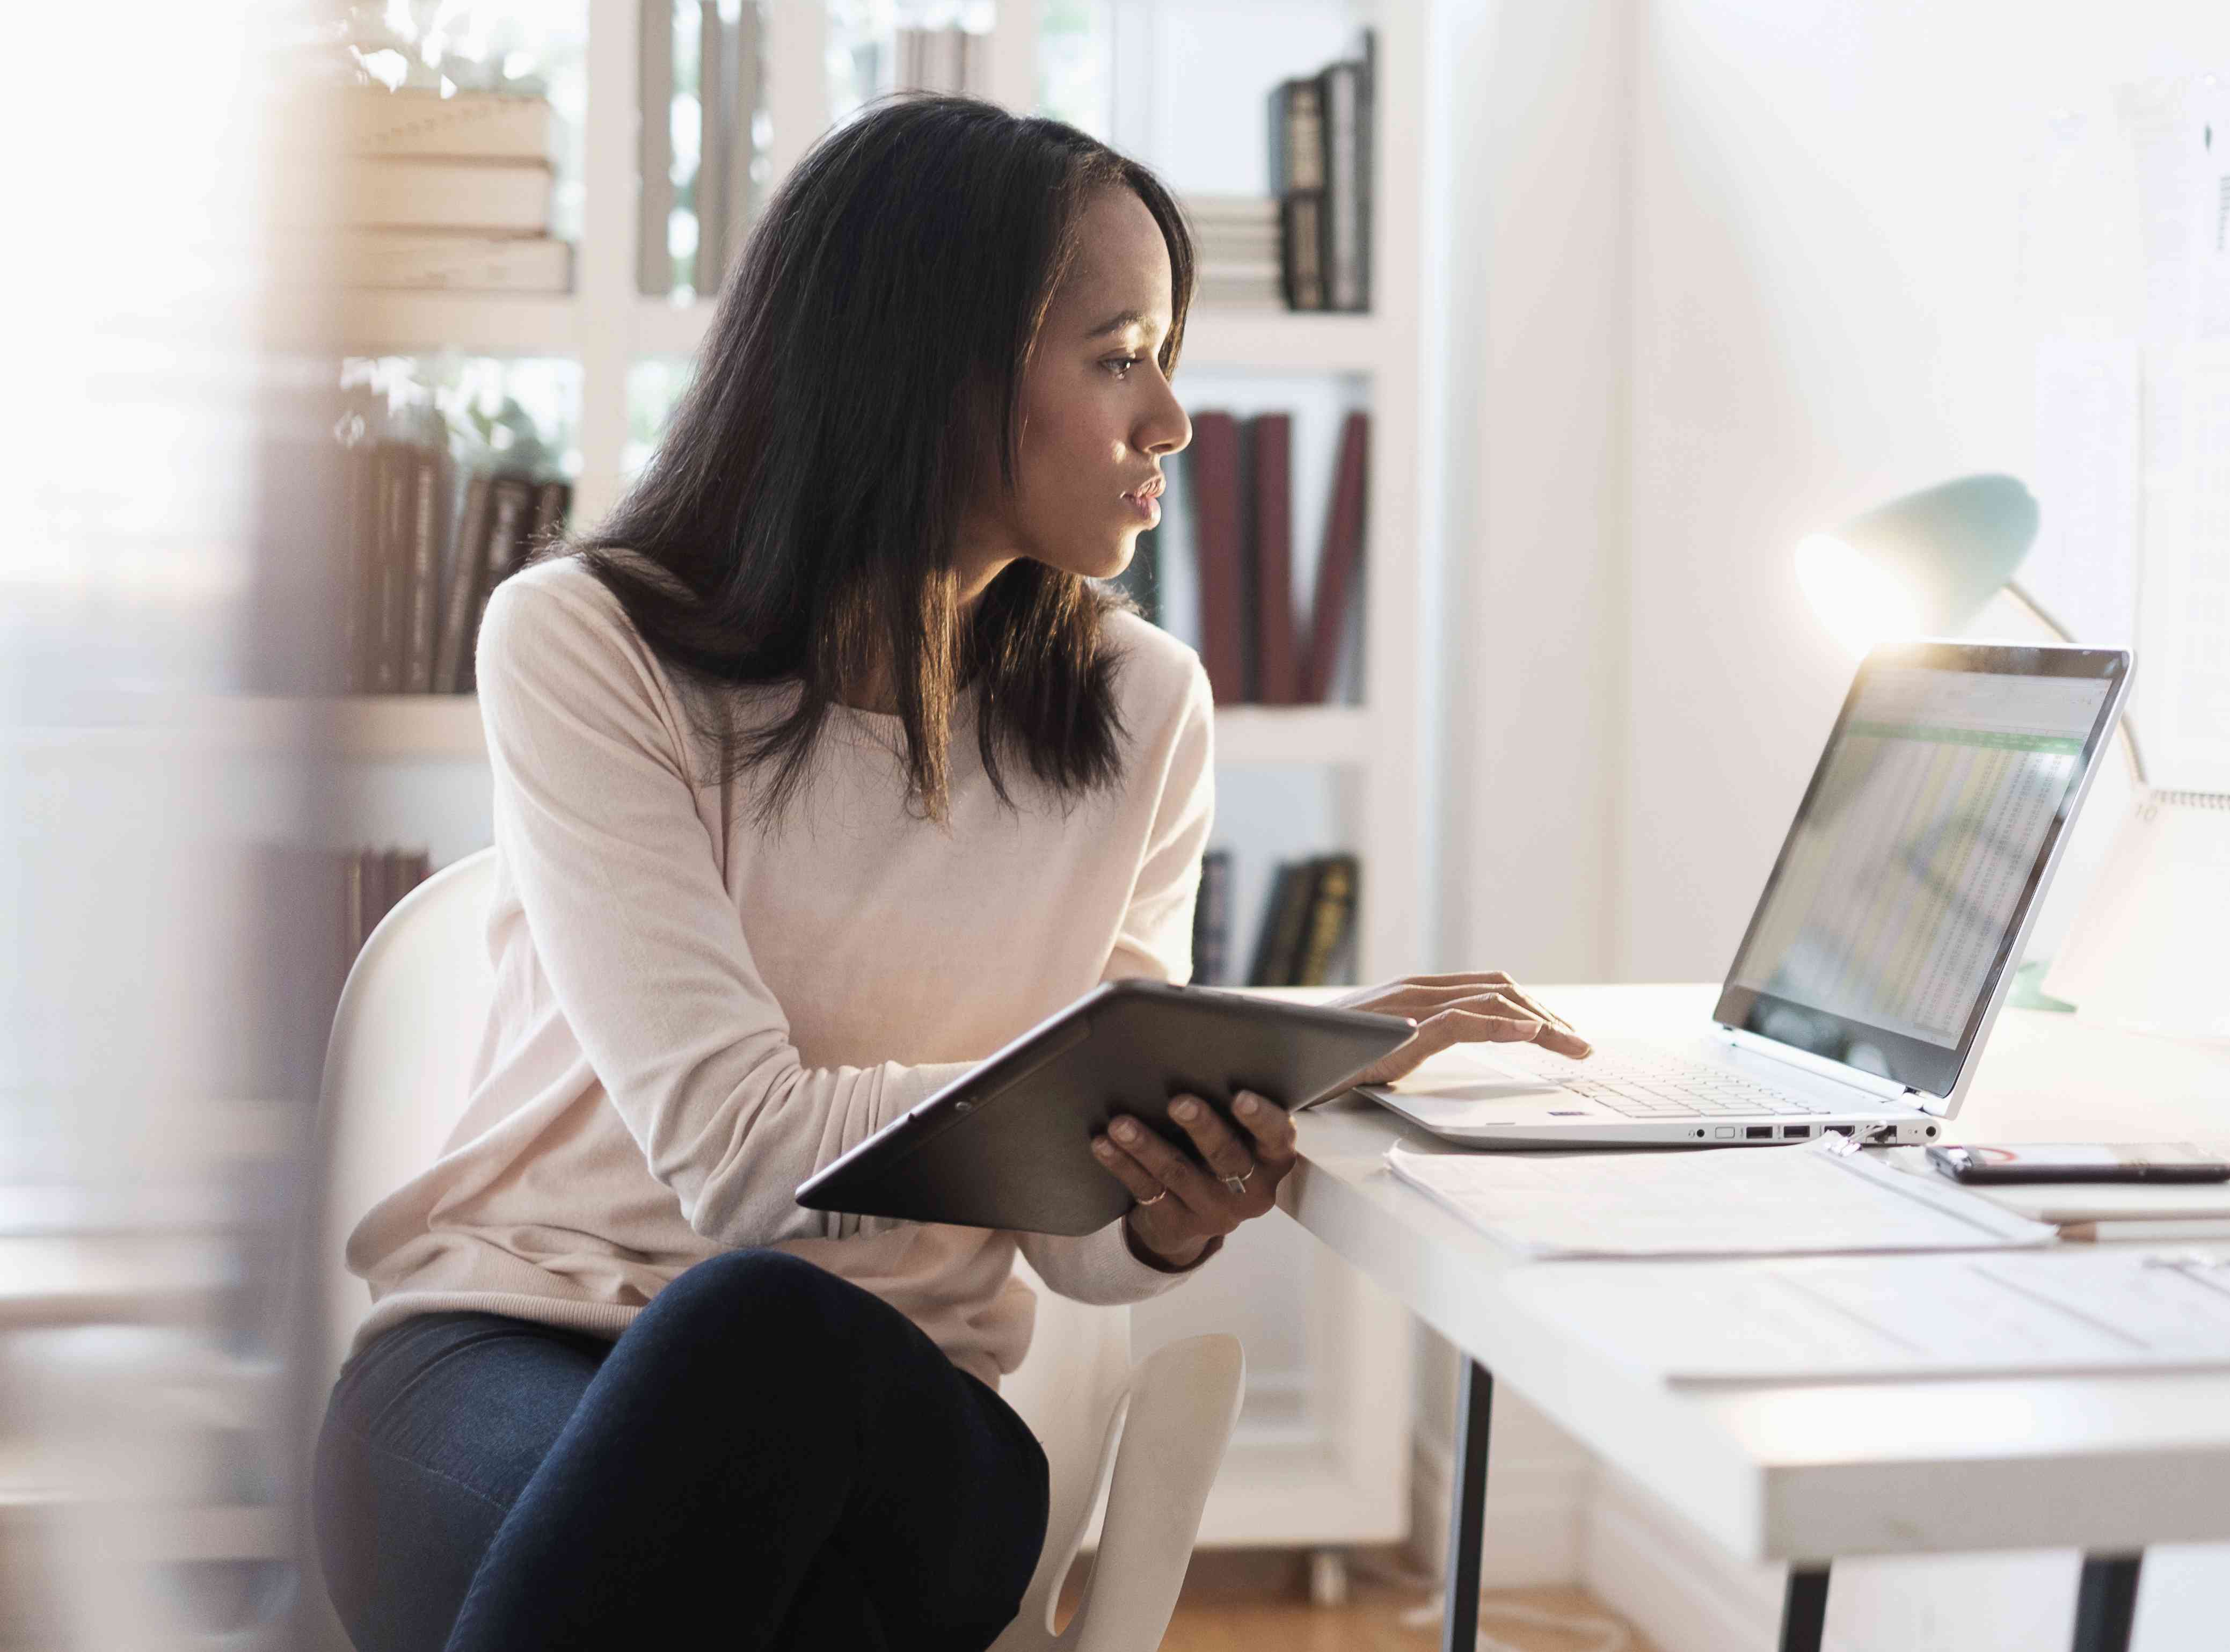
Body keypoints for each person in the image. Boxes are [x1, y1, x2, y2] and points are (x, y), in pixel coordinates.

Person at [309, 94, 1591, 1652]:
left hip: (892, 1410)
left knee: (772, 1350)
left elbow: (1072, 1243)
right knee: (761, 1490)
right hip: (507, 1353)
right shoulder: (589, 641)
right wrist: (1082, 1093)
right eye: (1119, 355)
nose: (1171, 420)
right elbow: (738, 1157)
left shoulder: (1139, 708)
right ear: (930, 368)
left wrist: (1171, 1197)